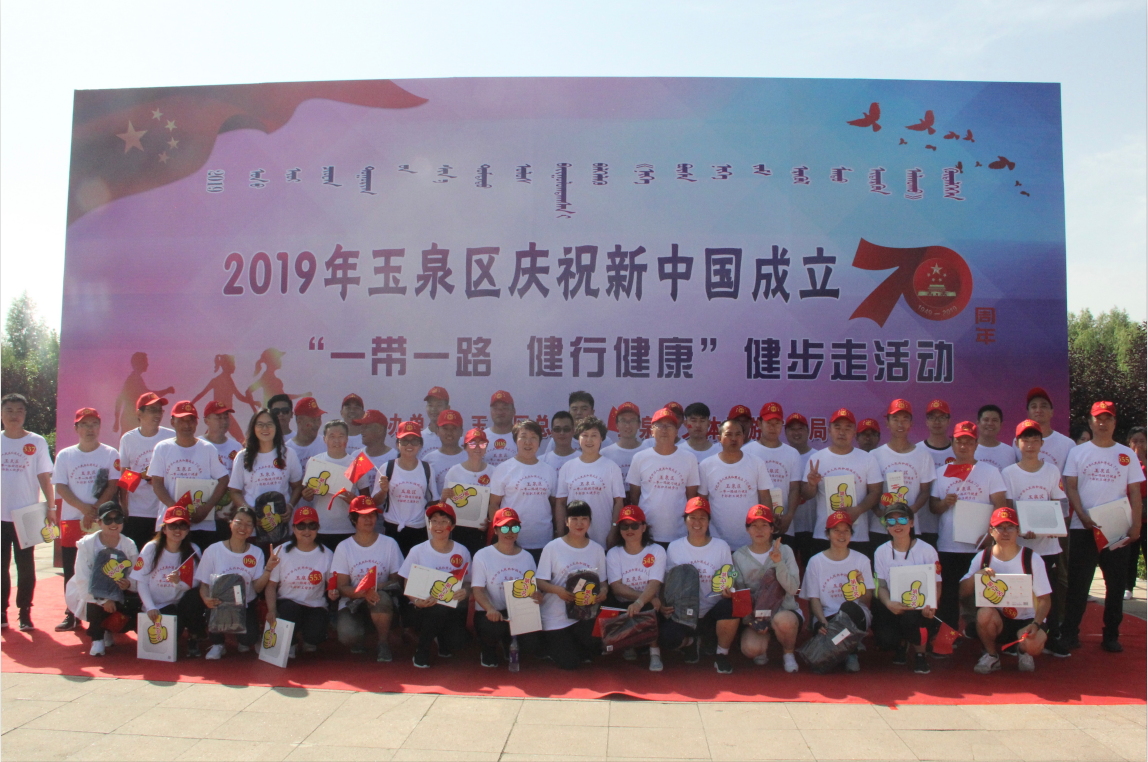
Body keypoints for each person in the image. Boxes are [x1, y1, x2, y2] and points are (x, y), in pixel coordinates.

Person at [1061, 401, 1144, 653]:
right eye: (1098, 418)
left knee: (1116, 584)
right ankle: (1070, 633)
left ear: (1114, 422)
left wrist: (1136, 525)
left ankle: (1111, 635)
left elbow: (1135, 492)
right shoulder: (1078, 452)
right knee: (1078, 583)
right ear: (1090, 422)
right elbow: (1070, 486)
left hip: (1116, 527)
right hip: (1083, 527)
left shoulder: (1126, 454)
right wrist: (1082, 515)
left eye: (1108, 418)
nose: (1103, 423)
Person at [929, 421, 1007, 633]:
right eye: (959, 441)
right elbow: (933, 508)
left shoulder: (990, 472)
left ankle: (983, 634)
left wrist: (992, 534)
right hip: (949, 545)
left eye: (968, 442)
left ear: (976, 444)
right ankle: (948, 636)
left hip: (980, 545)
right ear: (952, 443)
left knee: (984, 593)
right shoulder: (942, 472)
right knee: (949, 594)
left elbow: (1001, 506)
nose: (963, 446)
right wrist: (944, 503)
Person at [1002, 419, 1069, 656]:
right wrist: (1019, 528)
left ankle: (1049, 636)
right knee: (1018, 594)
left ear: (1041, 443)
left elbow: (1059, 503)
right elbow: (1007, 509)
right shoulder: (1009, 473)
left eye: (1034, 439)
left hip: (1048, 546)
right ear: (1017, 443)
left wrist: (1055, 526)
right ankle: (1014, 638)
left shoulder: (1051, 470)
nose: (1030, 444)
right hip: (1020, 547)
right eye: (1025, 439)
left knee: (1048, 593)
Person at [52, 408, 121, 632]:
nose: (90, 429)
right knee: (72, 568)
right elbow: (61, 486)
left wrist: (95, 510)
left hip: (102, 521)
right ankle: (71, 613)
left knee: (101, 566)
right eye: (84, 424)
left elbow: (113, 485)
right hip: (73, 519)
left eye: (94, 424)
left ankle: (101, 615)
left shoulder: (110, 453)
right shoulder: (65, 455)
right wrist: (83, 508)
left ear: (99, 427)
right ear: (76, 428)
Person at [960, 507, 1051, 673]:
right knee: (984, 614)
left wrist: (1036, 624)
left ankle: (1023, 651)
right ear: (991, 531)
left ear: (1018, 530)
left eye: (1010, 527)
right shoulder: (983, 557)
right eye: (1000, 528)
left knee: (1033, 646)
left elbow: (1045, 599)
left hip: (1028, 619)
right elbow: (962, 592)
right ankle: (991, 655)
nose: (1005, 532)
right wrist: (977, 576)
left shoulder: (1032, 559)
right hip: (999, 619)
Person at [661, 497, 739, 673]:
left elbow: (729, 578)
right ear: (685, 520)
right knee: (668, 639)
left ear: (709, 521)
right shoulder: (674, 547)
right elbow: (668, 581)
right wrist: (663, 604)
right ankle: (691, 642)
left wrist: (728, 591)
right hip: (683, 614)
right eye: (692, 517)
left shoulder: (721, 546)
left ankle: (721, 655)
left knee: (730, 606)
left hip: (711, 612)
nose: (697, 523)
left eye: (702, 518)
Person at [1, 392, 54, 631]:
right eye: (9, 410)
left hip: (28, 514)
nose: (14, 415)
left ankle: (25, 612)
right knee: (1, 566)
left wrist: (51, 507)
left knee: (26, 566)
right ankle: (1, 611)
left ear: (25, 414)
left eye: (19, 411)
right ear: (1, 414)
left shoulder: (37, 442)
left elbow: (44, 477)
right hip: (0, 516)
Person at [148, 401, 231, 551]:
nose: (187, 425)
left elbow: (224, 479)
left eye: (191, 420)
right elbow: (157, 483)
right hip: (171, 523)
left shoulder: (208, 449)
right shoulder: (162, 448)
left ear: (197, 422)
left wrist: (207, 508)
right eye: (181, 420)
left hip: (201, 523)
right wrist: (176, 510)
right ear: (172, 422)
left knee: (199, 562)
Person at [536, 500, 608, 670]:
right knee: (570, 663)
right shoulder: (553, 547)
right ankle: (550, 645)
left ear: (590, 522)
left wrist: (603, 592)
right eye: (574, 519)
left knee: (594, 648)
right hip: (556, 615)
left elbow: (603, 582)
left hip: (585, 613)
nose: (579, 523)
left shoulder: (597, 549)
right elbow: (540, 581)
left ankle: (578, 644)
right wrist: (558, 590)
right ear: (566, 522)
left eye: (584, 519)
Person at [801, 408, 883, 558]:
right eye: (837, 427)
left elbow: (876, 492)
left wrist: (858, 510)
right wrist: (812, 484)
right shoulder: (817, 458)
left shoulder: (867, 459)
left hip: (857, 534)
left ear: (854, 432)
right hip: (824, 534)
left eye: (847, 428)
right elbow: (807, 495)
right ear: (829, 430)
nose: (842, 432)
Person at [800, 510, 874, 673]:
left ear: (851, 534)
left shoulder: (861, 560)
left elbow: (867, 599)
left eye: (846, 531)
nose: (841, 535)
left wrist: (860, 587)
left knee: (849, 608)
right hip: (827, 615)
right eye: (836, 530)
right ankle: (844, 649)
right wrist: (822, 622)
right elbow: (814, 599)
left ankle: (850, 651)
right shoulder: (816, 561)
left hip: (854, 615)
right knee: (823, 659)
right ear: (828, 534)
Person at [196, 506, 275, 659]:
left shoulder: (256, 552)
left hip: (245, 605)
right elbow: (204, 585)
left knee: (249, 639)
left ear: (253, 528)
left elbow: (257, 588)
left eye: (248, 524)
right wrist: (206, 599)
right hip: (219, 605)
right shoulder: (213, 550)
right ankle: (218, 644)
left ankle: (243, 640)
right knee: (213, 608)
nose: (243, 528)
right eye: (239, 522)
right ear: (230, 523)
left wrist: (268, 569)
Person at [400, 502, 472, 668]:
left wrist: (465, 592)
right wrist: (416, 601)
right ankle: (422, 650)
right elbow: (407, 581)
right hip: (423, 608)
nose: (439, 526)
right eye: (434, 521)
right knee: (437, 610)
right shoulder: (417, 551)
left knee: (458, 642)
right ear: (429, 525)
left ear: (452, 526)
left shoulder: (462, 551)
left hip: (452, 607)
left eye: (444, 521)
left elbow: (468, 582)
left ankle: (443, 639)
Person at [332, 497, 404, 662]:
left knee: (381, 599)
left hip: (381, 598)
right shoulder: (344, 547)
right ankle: (360, 637)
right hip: (352, 602)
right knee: (348, 635)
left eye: (372, 515)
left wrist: (375, 588)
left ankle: (383, 643)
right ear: (353, 519)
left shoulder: (389, 544)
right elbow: (341, 587)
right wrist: (363, 593)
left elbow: (397, 581)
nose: (368, 519)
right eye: (363, 516)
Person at [471, 507, 544, 667]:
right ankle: (488, 650)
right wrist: (490, 609)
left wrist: (537, 595)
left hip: (518, 612)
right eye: (504, 528)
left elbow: (532, 588)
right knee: (492, 628)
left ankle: (508, 643)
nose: (509, 532)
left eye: (514, 527)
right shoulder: (482, 555)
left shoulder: (527, 557)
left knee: (531, 644)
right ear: (495, 530)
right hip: (490, 613)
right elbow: (477, 590)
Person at [64, 501, 139, 656]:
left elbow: (136, 573)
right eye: (108, 520)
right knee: (94, 601)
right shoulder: (87, 544)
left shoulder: (129, 544)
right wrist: (104, 600)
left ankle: (110, 628)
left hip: (120, 591)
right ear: (99, 522)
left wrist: (128, 584)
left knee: (133, 604)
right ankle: (97, 637)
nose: (114, 524)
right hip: (92, 590)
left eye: (118, 519)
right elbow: (83, 578)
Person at [872, 502, 939, 675]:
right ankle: (900, 644)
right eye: (891, 521)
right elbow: (881, 585)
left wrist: (932, 605)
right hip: (892, 605)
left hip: (919, 607)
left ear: (911, 522)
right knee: (885, 639)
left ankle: (920, 654)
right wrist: (888, 603)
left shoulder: (927, 550)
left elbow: (937, 582)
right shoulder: (881, 552)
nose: (897, 525)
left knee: (913, 620)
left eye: (902, 520)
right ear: (886, 526)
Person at [131, 504, 207, 657]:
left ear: (188, 530)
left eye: (182, 526)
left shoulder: (193, 550)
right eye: (172, 526)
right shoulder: (151, 549)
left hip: (181, 603)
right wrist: (150, 607)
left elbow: (196, 583)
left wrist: (178, 583)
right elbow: (141, 581)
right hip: (157, 606)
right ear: (164, 529)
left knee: (196, 598)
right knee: (166, 638)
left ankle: (194, 637)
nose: (177, 530)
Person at [734, 505, 801, 673]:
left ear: (772, 529)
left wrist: (778, 563)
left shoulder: (785, 550)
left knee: (784, 621)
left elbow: (793, 588)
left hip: (783, 610)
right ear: (747, 529)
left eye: (764, 525)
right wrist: (751, 622)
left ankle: (788, 653)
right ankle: (764, 644)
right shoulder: (739, 556)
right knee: (750, 649)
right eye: (754, 525)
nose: (759, 530)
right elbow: (740, 595)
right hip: (757, 616)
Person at [265, 505, 336, 659]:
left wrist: (333, 592)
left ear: (318, 528)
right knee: (289, 610)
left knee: (315, 636)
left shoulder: (327, 554)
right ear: (293, 528)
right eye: (301, 526)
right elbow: (271, 586)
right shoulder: (281, 551)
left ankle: (308, 639)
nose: (306, 531)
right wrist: (271, 610)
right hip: (288, 605)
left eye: (312, 526)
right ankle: (290, 643)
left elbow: (332, 585)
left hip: (315, 606)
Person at [605, 505, 666, 671]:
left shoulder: (656, 550)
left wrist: (640, 601)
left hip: (648, 605)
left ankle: (654, 652)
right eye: (624, 526)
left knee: (647, 606)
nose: (629, 530)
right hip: (623, 604)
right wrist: (643, 598)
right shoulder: (613, 553)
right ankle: (628, 643)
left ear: (644, 527)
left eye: (634, 525)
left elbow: (655, 582)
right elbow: (616, 587)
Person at [628, 408, 701, 546]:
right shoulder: (640, 458)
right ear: (652, 431)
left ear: (676, 431)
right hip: (647, 532)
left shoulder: (689, 458)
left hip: (679, 533)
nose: (664, 430)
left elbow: (691, 497)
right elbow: (634, 496)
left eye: (669, 426)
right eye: (660, 426)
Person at [869, 400, 937, 546]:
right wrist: (878, 511)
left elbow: (925, 491)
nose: (900, 424)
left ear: (911, 423)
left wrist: (910, 511)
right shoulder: (874, 455)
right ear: (887, 423)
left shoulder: (923, 455)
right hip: (880, 528)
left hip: (909, 527)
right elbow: (869, 490)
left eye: (905, 419)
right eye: (895, 419)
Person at [489, 420, 557, 561]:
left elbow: (555, 505)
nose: (528, 442)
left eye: (533, 438)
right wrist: (501, 534)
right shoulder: (503, 469)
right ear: (515, 440)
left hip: (543, 540)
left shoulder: (549, 470)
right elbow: (494, 504)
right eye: (523, 437)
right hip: (511, 540)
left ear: (539, 442)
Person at [698, 420, 773, 547]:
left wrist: (768, 531)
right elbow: (702, 501)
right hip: (717, 540)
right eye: (728, 434)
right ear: (719, 438)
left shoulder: (756, 463)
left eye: (738, 434)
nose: (733, 439)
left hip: (751, 540)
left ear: (743, 437)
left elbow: (765, 497)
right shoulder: (706, 465)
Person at [227, 408, 303, 531]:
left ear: (276, 427)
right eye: (260, 424)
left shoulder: (288, 454)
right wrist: (249, 512)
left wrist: (290, 506)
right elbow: (235, 491)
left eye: (269, 424)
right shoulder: (242, 456)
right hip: (252, 528)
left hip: (281, 526)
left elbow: (298, 486)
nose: (265, 428)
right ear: (253, 428)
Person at [555, 417, 626, 548]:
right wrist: (561, 533)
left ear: (601, 439)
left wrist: (614, 530)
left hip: (603, 536)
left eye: (594, 435)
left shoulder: (611, 467)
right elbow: (560, 503)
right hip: (574, 537)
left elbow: (618, 503)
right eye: (585, 435)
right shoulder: (568, 467)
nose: (589, 440)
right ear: (578, 438)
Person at [117, 392, 175, 548]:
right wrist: (124, 506)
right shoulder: (128, 439)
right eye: (152, 410)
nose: (157, 414)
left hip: (163, 509)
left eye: (159, 410)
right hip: (137, 511)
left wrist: (159, 479)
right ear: (139, 413)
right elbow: (124, 475)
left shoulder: (171, 436)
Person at [741, 403, 802, 542]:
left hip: (783, 523)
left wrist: (789, 516)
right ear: (759, 424)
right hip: (755, 524)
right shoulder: (746, 451)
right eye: (769, 422)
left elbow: (795, 488)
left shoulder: (792, 453)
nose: (773, 427)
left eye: (777, 423)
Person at [376, 420, 438, 556]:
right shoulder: (387, 468)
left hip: (419, 528)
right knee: (393, 567)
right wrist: (383, 491)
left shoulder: (427, 469)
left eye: (414, 441)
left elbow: (433, 501)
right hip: (392, 527)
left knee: (415, 568)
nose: (409, 445)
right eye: (404, 441)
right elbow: (375, 502)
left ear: (420, 444)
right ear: (397, 444)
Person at [300, 421, 358, 550]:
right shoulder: (315, 462)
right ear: (324, 439)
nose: (336, 440)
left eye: (341, 436)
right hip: (321, 527)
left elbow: (365, 498)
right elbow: (308, 495)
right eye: (332, 436)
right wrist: (306, 495)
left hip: (348, 527)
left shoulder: (355, 464)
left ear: (347, 439)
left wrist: (354, 500)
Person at [440, 428, 493, 556]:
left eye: (482, 444)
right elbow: (444, 506)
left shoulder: (494, 472)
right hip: (458, 530)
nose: (477, 448)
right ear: (465, 447)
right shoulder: (454, 471)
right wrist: (443, 498)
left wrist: (490, 521)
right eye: (472, 443)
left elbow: (496, 503)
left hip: (482, 530)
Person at [190, 353, 258, 443]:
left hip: (227, 415)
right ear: (225, 365)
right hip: (216, 416)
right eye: (232, 364)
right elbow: (202, 394)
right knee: (208, 440)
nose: (234, 367)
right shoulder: (216, 380)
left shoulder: (229, 380)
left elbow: (239, 396)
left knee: (241, 440)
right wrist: (190, 404)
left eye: (234, 364)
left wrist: (252, 402)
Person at [201, 401, 244, 538]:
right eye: (218, 417)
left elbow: (241, 481)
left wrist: (237, 506)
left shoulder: (237, 447)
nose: (224, 421)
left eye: (226, 417)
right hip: (201, 512)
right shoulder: (198, 445)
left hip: (227, 514)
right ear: (206, 420)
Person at [1012, 388, 1075, 472]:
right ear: (1028, 412)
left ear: (1052, 412)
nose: (1038, 410)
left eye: (1043, 406)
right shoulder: (1019, 442)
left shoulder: (1068, 444)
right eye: (1034, 406)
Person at [112, 352, 174, 436]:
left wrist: (117, 420)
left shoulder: (134, 378)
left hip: (131, 418)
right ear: (139, 363)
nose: (147, 364)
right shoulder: (134, 379)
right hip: (131, 419)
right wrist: (166, 391)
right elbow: (149, 396)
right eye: (145, 361)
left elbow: (120, 399)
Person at [785, 412, 818, 569]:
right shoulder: (782, 456)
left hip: (811, 525)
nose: (796, 433)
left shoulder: (818, 456)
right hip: (786, 525)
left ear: (808, 431)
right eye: (792, 429)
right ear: (785, 432)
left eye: (800, 429)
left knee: (809, 569)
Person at [544, 391, 618, 454]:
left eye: (584, 409)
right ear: (569, 412)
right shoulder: (558, 439)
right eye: (574, 409)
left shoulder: (605, 441)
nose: (579, 413)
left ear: (592, 412)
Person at [1125, 426, 1146, 600]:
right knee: (1130, 555)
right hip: (1130, 514)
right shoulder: (1124, 461)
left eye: (1142, 441)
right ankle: (1128, 587)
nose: (1138, 445)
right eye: (1135, 441)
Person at [424, 410, 466, 495]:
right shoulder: (428, 460)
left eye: (454, 428)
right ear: (438, 431)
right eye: (445, 429)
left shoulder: (470, 458)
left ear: (461, 432)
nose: (449, 433)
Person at [601, 401, 643, 483]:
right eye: (623, 420)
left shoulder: (647, 452)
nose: (628, 425)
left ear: (639, 424)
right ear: (616, 425)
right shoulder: (605, 454)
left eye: (632, 420)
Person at [285, 397, 327, 474]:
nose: (317, 424)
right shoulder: (286, 450)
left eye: (318, 419)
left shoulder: (327, 445)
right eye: (313, 420)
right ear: (299, 421)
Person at [975, 405, 1018, 471]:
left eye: (994, 420)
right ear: (978, 423)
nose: (990, 423)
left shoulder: (1009, 452)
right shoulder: (969, 449)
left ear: (1001, 425)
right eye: (986, 420)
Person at [486, 390, 519, 468]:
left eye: (505, 408)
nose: (499, 412)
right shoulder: (482, 437)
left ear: (514, 411)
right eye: (495, 408)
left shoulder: (522, 437)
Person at [919, 399, 955, 469]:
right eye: (932, 418)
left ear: (949, 421)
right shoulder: (917, 450)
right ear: (927, 421)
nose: (937, 422)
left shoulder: (958, 451)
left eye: (942, 417)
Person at [419, 386, 450, 458]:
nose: (433, 409)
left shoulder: (456, 440)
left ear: (447, 408)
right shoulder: (418, 439)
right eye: (430, 405)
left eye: (438, 405)